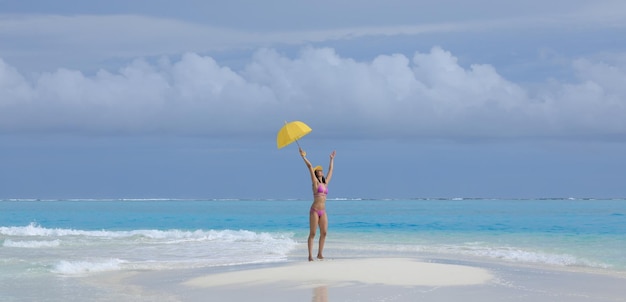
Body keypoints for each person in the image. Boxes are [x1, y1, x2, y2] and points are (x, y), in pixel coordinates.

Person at [299, 147, 336, 261]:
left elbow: (331, 170)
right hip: (314, 210)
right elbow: (310, 167)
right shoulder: (315, 182)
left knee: (324, 233)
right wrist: (303, 156)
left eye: (321, 170)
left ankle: (320, 253)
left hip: (323, 211)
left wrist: (331, 159)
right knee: (313, 233)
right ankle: (310, 255)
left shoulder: (325, 183)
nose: (321, 171)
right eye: (319, 170)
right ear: (316, 172)